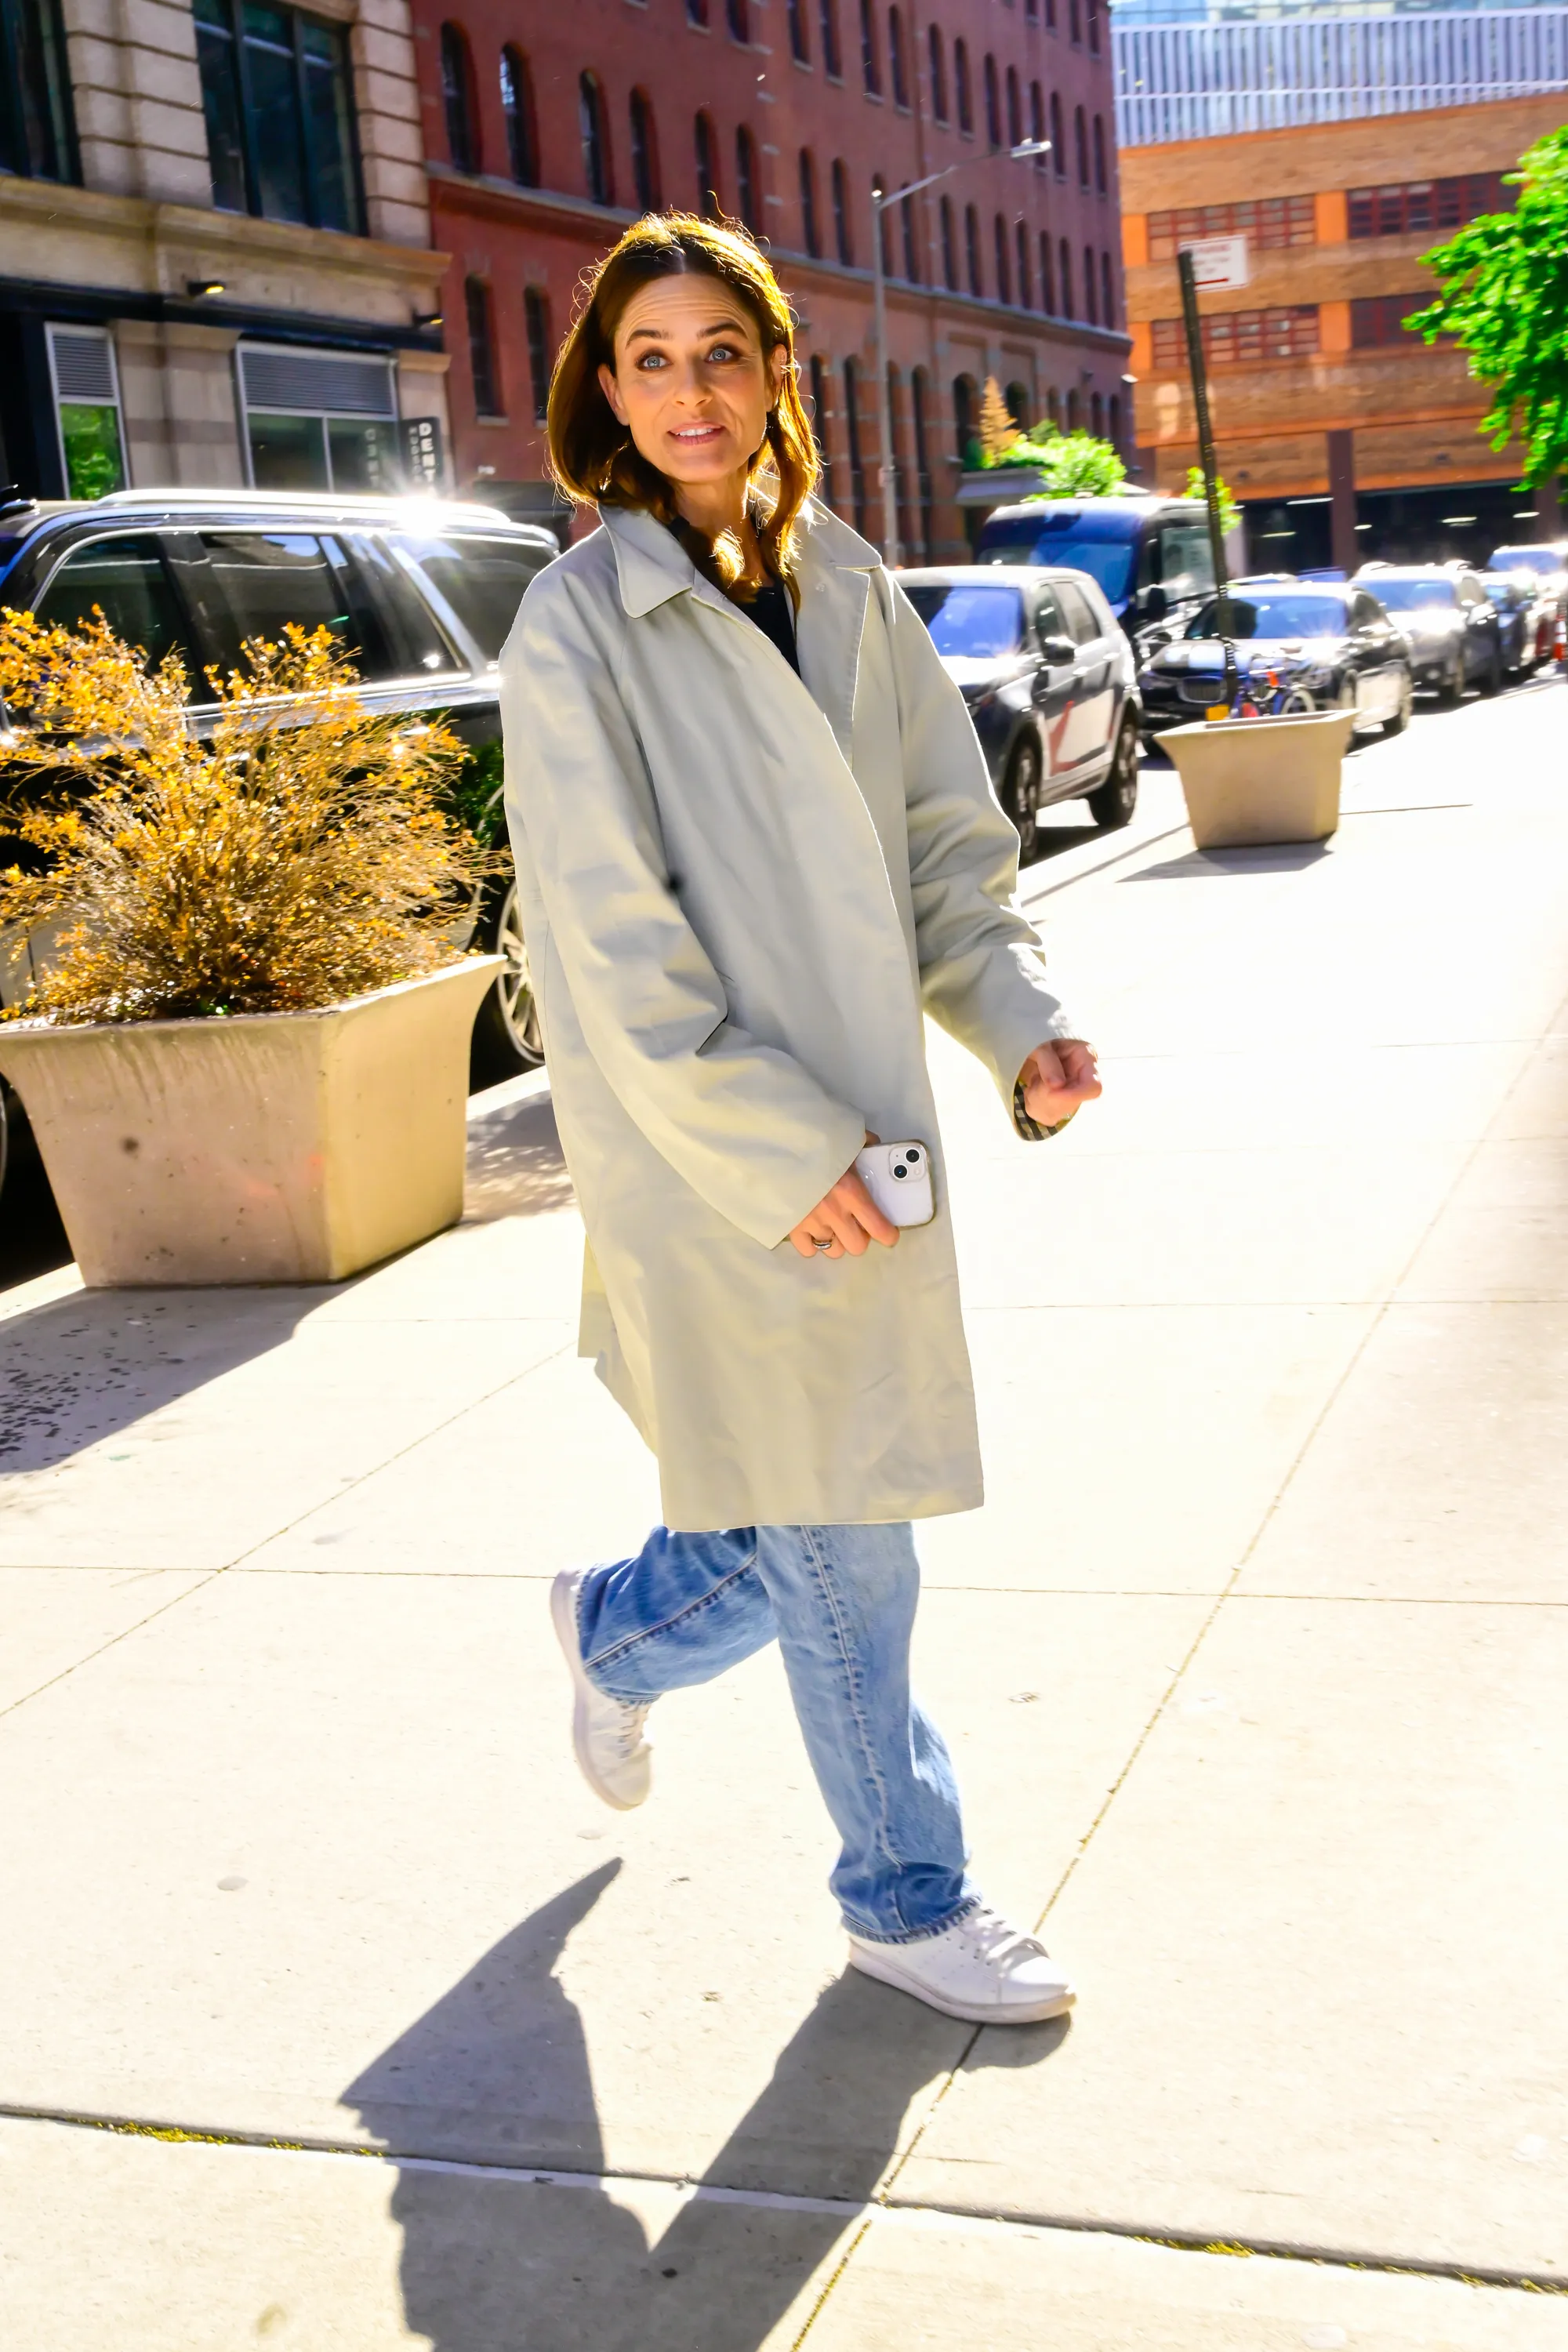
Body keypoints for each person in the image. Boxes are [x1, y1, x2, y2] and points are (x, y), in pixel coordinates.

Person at [499, 214, 1102, 2026]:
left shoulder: (840, 579)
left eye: (722, 351)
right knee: (851, 1533)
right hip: (719, 1162)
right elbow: (610, 949)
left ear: (775, 372)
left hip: (870, 1134)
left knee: (803, 1512)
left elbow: (942, 850)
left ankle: (615, 1628)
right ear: (603, 392)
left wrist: (1019, 1022)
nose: (691, 390)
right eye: (651, 358)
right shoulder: (578, 627)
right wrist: (784, 1158)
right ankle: (904, 1894)